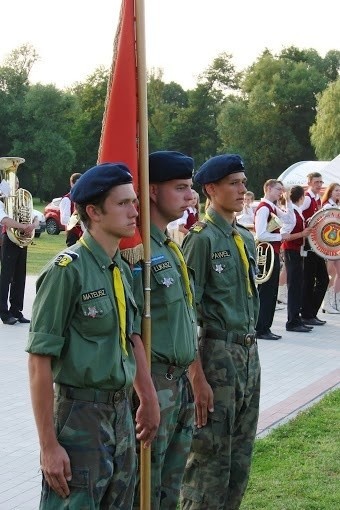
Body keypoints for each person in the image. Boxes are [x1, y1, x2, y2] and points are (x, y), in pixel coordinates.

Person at [26, 163, 160, 509]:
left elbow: (132, 339)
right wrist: (49, 446)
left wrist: (147, 396)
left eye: (134, 202)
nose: (135, 211)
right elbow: (40, 363)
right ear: (93, 212)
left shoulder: (121, 269)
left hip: (119, 414)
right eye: (123, 204)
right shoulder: (66, 272)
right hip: (79, 416)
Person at [180, 154, 261, 510]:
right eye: (234, 183)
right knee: (209, 460)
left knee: (239, 458)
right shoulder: (201, 239)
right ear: (211, 190)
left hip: (247, 356)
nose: (243, 189)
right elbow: (186, 314)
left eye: (244, 182)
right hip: (215, 357)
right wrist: (196, 378)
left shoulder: (243, 236)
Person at [132, 151, 197, 510]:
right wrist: (147, 396)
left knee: (169, 491)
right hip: (155, 385)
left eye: (190, 187)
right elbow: (131, 332)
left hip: (179, 383)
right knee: (146, 490)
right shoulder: (138, 251)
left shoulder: (170, 245)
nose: (191, 196)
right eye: (181, 188)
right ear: (153, 191)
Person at [254, 179, 294, 340]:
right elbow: (261, 234)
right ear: (268, 188)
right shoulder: (264, 209)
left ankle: (265, 327)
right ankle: (261, 328)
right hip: (266, 252)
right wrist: (280, 236)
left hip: (272, 251)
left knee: (271, 292)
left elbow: (290, 220)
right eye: (278, 189)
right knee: (266, 292)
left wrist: (289, 200)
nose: (280, 192)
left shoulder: (272, 207)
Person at [0, 180, 39, 325]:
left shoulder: (22, 199)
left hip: (22, 240)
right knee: (6, 277)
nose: (15, 185)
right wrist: (23, 226)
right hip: (9, 239)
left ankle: (16, 310)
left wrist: (32, 226)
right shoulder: (2, 200)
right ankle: (4, 313)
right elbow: (4, 219)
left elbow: (35, 216)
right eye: (11, 183)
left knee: (20, 276)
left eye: (16, 182)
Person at [281, 186, 313, 332]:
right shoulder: (292, 212)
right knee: (294, 287)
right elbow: (284, 235)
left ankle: (296, 319)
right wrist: (302, 234)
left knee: (297, 286)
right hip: (291, 251)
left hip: (296, 251)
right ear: (302, 197)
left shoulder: (295, 210)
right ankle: (292, 321)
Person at [300, 172, 329, 325]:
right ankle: (306, 314)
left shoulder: (317, 199)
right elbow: (298, 215)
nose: (319, 184)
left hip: (316, 245)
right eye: (316, 182)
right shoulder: (306, 198)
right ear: (310, 182)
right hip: (308, 245)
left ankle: (310, 312)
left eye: (321, 182)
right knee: (309, 280)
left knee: (322, 279)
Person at [320, 182, 340, 313]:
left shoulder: (336, 205)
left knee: (337, 272)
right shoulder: (327, 206)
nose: (338, 192)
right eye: (336, 190)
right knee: (327, 274)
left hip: (337, 242)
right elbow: (324, 224)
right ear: (330, 192)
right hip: (329, 243)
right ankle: (326, 302)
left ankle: (335, 301)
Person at [59, 172, 83, 246]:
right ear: (72, 184)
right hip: (72, 232)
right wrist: (76, 219)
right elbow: (64, 220)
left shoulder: (84, 197)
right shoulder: (67, 199)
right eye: (77, 183)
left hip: (84, 231)